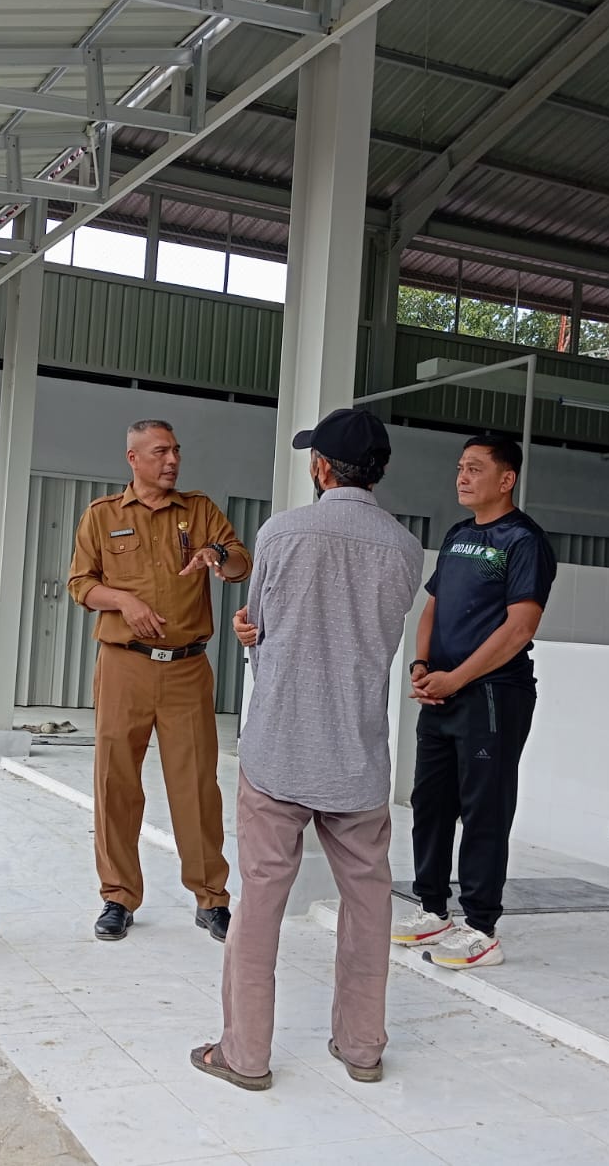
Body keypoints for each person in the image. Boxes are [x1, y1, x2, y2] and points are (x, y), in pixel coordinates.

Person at [191, 408, 422, 1091]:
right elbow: (368, 635)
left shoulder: (282, 532)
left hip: (281, 749)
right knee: (369, 900)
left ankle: (246, 1054)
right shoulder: (406, 551)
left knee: (261, 900)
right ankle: (361, 1047)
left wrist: (254, 634)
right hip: (355, 752)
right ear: (377, 472)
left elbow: (259, 626)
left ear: (321, 467)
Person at [67, 419, 250, 943]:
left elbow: (240, 560)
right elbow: (81, 583)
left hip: (188, 667)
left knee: (195, 785)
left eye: (176, 452)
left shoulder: (200, 510)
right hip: (124, 663)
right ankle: (117, 897)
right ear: (133, 458)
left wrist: (216, 555)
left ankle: (211, 898)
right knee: (116, 781)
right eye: (160, 452)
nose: (172, 461)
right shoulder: (102, 517)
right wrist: (123, 600)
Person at [392, 434, 557, 970]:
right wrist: (421, 667)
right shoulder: (460, 534)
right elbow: (432, 610)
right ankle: (433, 909)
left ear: (506, 479)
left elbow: (518, 628)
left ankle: (481, 926)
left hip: (491, 696)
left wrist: (457, 678)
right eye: (460, 467)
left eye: (475, 469)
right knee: (430, 803)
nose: (462, 477)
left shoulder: (523, 540)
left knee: (484, 809)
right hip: (440, 693)